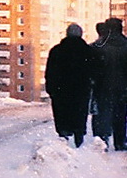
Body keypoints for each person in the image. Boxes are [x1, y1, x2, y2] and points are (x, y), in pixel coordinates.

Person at [44, 23, 92, 147]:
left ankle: (63, 139)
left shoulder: (57, 50)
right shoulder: (87, 51)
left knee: (62, 115)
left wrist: (51, 89)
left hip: (61, 91)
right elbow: (93, 72)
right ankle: (79, 138)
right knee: (79, 114)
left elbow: (50, 72)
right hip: (81, 90)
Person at [91, 17, 127, 151]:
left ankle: (102, 139)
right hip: (123, 87)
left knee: (104, 112)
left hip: (103, 86)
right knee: (121, 113)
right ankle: (120, 141)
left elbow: (92, 67)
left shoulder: (98, 46)